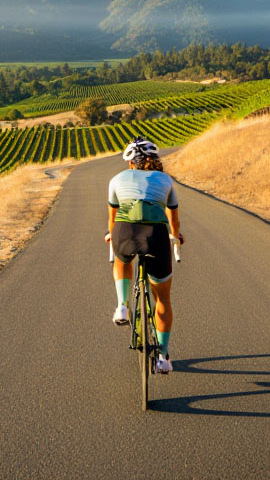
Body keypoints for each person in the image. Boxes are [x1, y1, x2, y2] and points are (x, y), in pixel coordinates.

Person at [105, 136, 184, 374]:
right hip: (156, 237)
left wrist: (111, 236)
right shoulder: (165, 180)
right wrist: (177, 237)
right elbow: (174, 221)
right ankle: (163, 357)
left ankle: (122, 305)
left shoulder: (116, 179)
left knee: (121, 259)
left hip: (125, 233)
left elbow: (112, 219)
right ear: (154, 160)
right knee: (163, 300)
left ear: (130, 163)